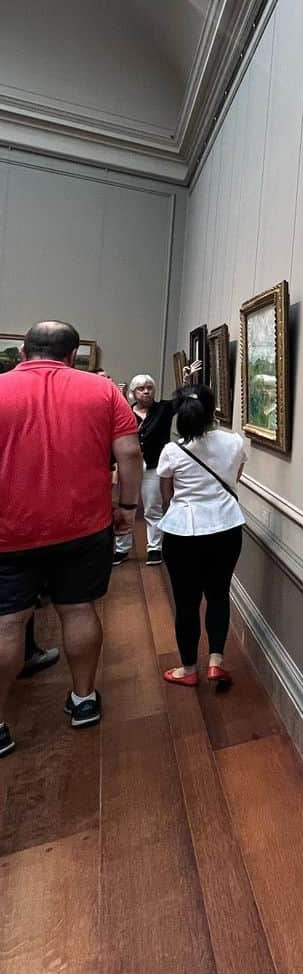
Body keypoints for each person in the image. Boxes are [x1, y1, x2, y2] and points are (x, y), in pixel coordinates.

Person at [0, 322, 141, 756]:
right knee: (79, 610)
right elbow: (131, 454)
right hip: (83, 525)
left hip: (9, 530)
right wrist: (128, 510)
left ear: (23, 352)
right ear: (74, 353)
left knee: (7, 623)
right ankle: (83, 700)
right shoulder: (102, 391)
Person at [157, 384, 248, 687]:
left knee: (186, 602)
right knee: (219, 594)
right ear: (213, 411)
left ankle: (188, 669)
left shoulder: (172, 451)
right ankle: (216, 662)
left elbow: (166, 497)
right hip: (226, 528)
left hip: (183, 532)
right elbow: (235, 478)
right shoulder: (234, 443)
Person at [114, 374, 174, 567]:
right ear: (133, 393)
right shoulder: (125, 411)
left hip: (153, 466)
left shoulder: (163, 409)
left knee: (152, 508)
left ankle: (154, 548)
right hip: (129, 467)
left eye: (149, 387)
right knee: (126, 507)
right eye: (141, 388)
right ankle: (122, 549)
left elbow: (181, 401)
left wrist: (188, 379)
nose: (146, 391)